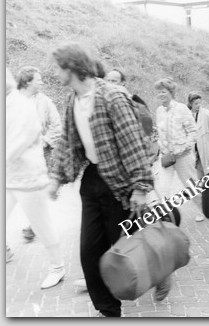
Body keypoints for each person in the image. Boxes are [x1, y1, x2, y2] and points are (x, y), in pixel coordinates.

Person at [48, 43, 154, 317]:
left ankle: (160, 271)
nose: (55, 73)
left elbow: (133, 143)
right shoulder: (73, 98)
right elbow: (69, 142)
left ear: (72, 68)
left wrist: (141, 187)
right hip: (93, 179)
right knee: (89, 251)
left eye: (58, 68)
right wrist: (56, 179)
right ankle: (108, 309)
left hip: (119, 185)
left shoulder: (112, 96)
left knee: (126, 247)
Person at [6, 67, 65, 289]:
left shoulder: (21, 105)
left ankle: (57, 267)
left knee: (41, 224)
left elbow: (20, 140)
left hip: (28, 178)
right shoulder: (11, 102)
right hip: (10, 177)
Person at [15, 66, 62, 242]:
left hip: (39, 154)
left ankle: (33, 225)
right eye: (38, 79)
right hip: (14, 155)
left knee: (36, 191)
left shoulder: (45, 102)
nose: (42, 82)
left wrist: (45, 141)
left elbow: (56, 125)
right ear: (27, 81)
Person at [154, 78, 203, 222]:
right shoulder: (159, 111)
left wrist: (184, 147)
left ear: (171, 92)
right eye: (158, 92)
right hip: (166, 157)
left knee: (192, 186)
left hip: (183, 156)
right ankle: (166, 217)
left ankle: (204, 209)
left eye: (163, 91)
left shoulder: (181, 109)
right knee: (162, 188)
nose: (160, 95)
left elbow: (193, 131)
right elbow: (160, 132)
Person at [187, 92, 209, 179]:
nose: (198, 105)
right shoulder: (187, 116)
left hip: (205, 148)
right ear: (191, 104)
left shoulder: (207, 114)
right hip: (194, 151)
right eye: (196, 104)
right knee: (199, 177)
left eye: (199, 103)